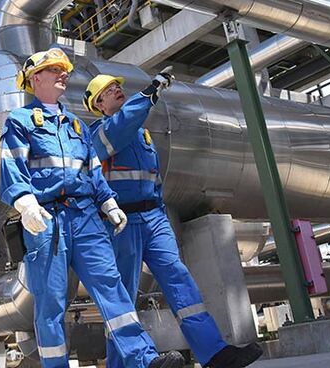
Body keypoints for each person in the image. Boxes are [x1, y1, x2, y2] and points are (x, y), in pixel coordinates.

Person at [0, 47, 185, 368]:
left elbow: (92, 170)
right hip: (47, 218)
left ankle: (143, 359)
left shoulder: (75, 124)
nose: (63, 74)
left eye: (64, 69)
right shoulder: (20, 121)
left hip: (86, 216)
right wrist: (25, 201)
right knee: (51, 302)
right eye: (55, 69)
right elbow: (12, 165)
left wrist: (109, 202)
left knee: (111, 286)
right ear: (35, 78)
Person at [83, 69, 264, 368]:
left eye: (118, 86)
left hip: (154, 217)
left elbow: (152, 175)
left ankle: (214, 353)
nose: (117, 89)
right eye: (109, 89)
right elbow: (123, 124)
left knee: (179, 280)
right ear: (99, 104)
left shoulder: (142, 133)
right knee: (122, 296)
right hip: (121, 223)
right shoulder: (99, 133)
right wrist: (149, 92)